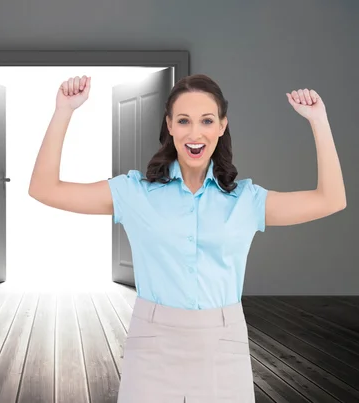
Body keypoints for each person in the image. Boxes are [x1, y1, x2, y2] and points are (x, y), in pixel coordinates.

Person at [28, 74, 346, 402]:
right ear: (169, 126)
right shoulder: (135, 193)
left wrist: (318, 120)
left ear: (222, 126)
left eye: (207, 120)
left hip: (224, 343)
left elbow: (331, 199)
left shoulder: (246, 201)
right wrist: (64, 110)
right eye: (184, 121)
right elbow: (44, 189)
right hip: (152, 343)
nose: (195, 133)